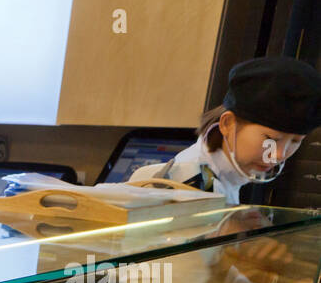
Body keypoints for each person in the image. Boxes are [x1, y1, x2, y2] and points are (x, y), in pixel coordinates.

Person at [130, 56, 321, 206]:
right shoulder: (194, 183)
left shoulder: (224, 177)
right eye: (270, 139)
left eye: (295, 141)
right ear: (228, 124)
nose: (278, 155)